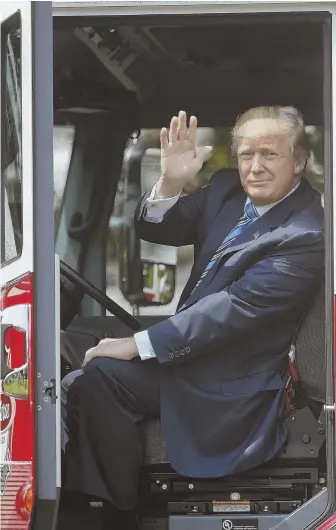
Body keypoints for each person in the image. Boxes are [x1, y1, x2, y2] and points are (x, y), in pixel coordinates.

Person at [59, 107, 324, 529]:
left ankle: (110, 517)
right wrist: (171, 182)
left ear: (299, 161)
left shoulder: (305, 236)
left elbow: (230, 310)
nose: (254, 168)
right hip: (198, 356)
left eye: (269, 155)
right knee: (91, 365)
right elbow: (159, 229)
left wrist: (136, 345)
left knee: (100, 379)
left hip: (231, 380)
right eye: (246, 155)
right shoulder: (226, 191)